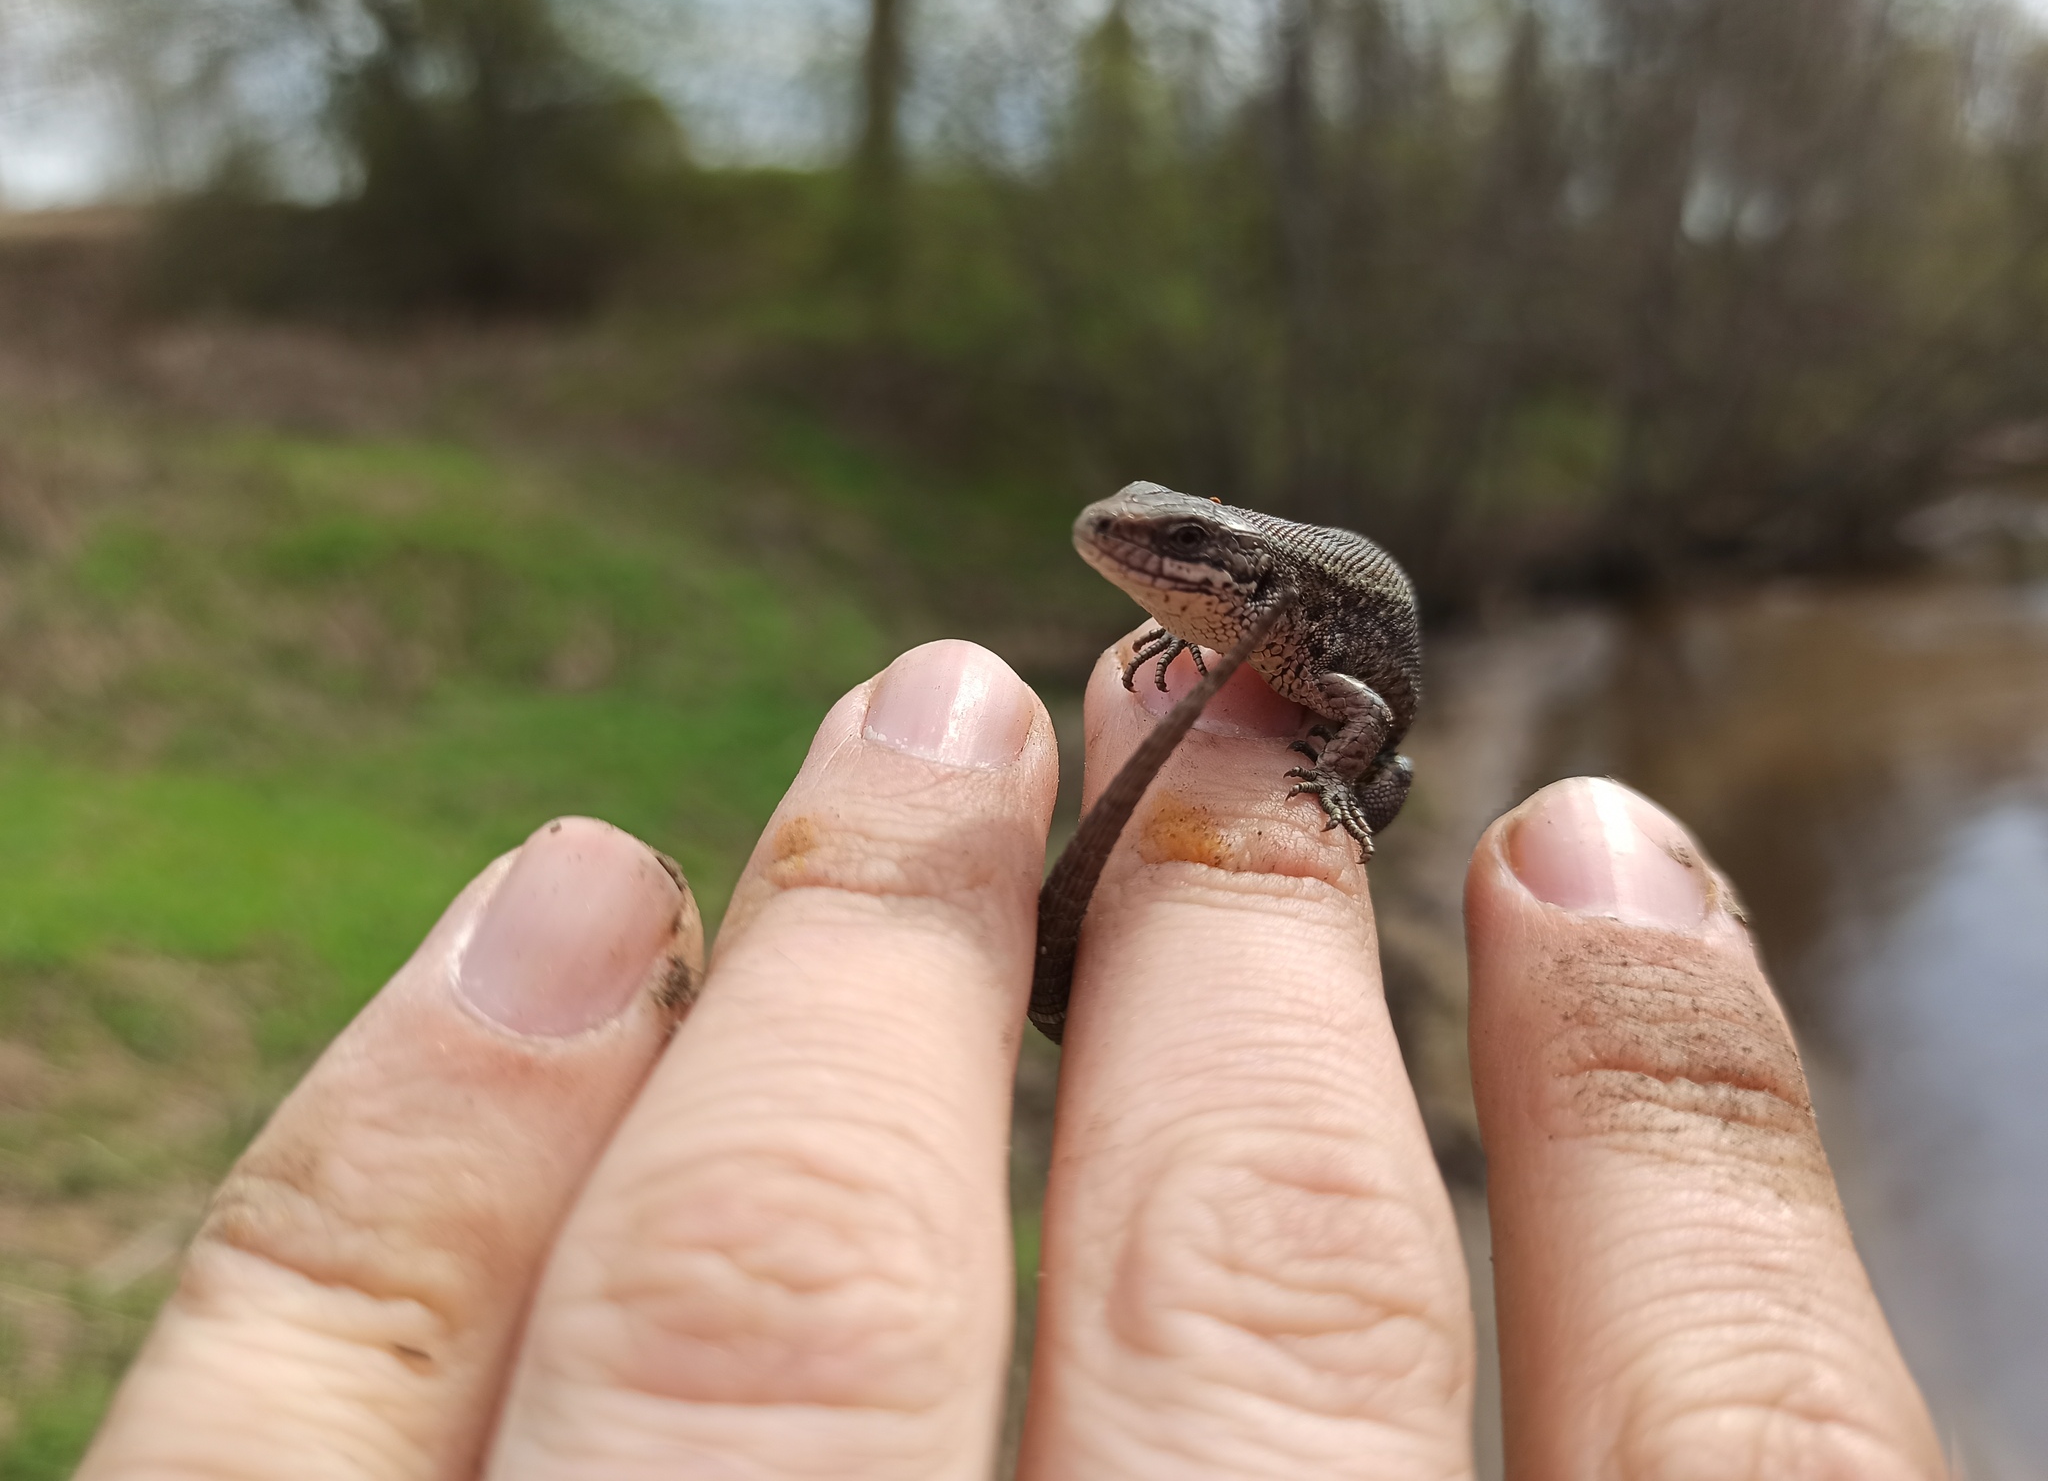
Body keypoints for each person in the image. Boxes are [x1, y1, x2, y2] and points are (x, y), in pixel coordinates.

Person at [75, 637, 1944, 1479]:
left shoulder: (1305, 622)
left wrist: (1322, 789)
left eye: (1172, 563)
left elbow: (1370, 707)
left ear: (1227, 579)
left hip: (1325, 738)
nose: (1136, 567)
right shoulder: (1225, 618)